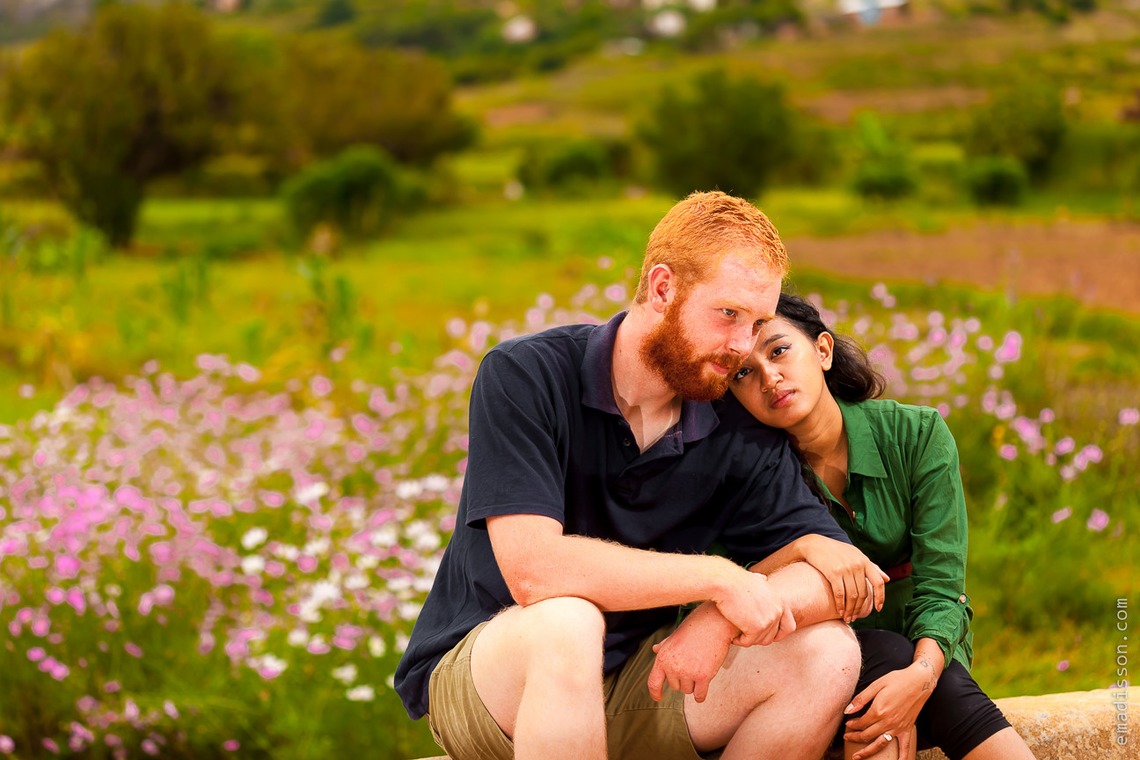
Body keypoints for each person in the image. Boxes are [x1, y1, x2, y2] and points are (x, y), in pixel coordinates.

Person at [394, 192, 886, 760]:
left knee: (827, 652)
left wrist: (715, 622)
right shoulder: (525, 374)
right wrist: (721, 581)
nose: (740, 346)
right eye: (728, 314)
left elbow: (836, 571)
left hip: (637, 681)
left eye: (755, 323)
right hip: (494, 679)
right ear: (662, 288)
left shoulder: (736, 420)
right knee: (567, 621)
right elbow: (535, 571)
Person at [651, 293, 1036, 760]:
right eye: (743, 374)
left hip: (921, 654)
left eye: (778, 352)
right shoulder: (745, 476)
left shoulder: (917, 435)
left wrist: (921, 677)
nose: (769, 379)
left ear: (823, 351)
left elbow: (942, 587)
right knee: (887, 675)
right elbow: (720, 589)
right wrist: (801, 550)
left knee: (928, 680)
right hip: (806, 664)